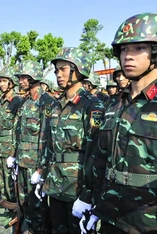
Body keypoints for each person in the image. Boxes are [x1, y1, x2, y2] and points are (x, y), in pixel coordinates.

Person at [81, 13, 157, 234]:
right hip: (111, 216)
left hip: (147, 222)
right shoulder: (114, 106)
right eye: (124, 50)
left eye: (138, 48)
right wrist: (91, 200)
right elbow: (100, 160)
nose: (128, 57)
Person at [42, 47, 105, 234]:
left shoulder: (92, 105)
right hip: (55, 182)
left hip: (77, 186)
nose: (58, 75)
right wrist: (44, 175)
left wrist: (87, 195)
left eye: (63, 69)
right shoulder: (55, 105)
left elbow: (95, 154)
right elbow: (50, 145)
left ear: (78, 71)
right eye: (56, 70)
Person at [13, 60, 55, 234]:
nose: (21, 80)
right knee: (24, 202)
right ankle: (29, 228)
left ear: (34, 77)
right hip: (23, 161)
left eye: (24, 77)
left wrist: (41, 168)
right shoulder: (25, 101)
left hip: (35, 165)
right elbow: (21, 133)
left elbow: (47, 138)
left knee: (38, 205)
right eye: (21, 77)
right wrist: (15, 157)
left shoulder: (46, 102)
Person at [0, 67, 23, 229]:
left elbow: (19, 128)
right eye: (0, 81)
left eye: (4, 81)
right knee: (1, 183)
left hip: (9, 150)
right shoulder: (0, 100)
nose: (1, 84)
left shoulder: (17, 101)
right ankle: (6, 208)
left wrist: (15, 153)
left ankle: (15, 213)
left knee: (12, 184)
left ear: (11, 83)